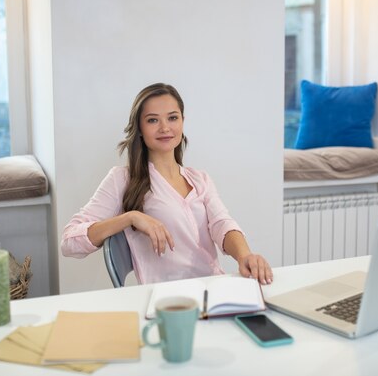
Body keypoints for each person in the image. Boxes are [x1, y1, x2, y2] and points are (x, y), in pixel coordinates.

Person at [61, 82, 273, 285]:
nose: (165, 128)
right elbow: (69, 242)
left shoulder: (200, 179)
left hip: (213, 289)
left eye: (172, 118)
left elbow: (221, 224)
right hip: (167, 300)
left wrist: (245, 255)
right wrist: (130, 218)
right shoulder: (122, 179)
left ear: (182, 121)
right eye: (153, 120)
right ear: (140, 128)